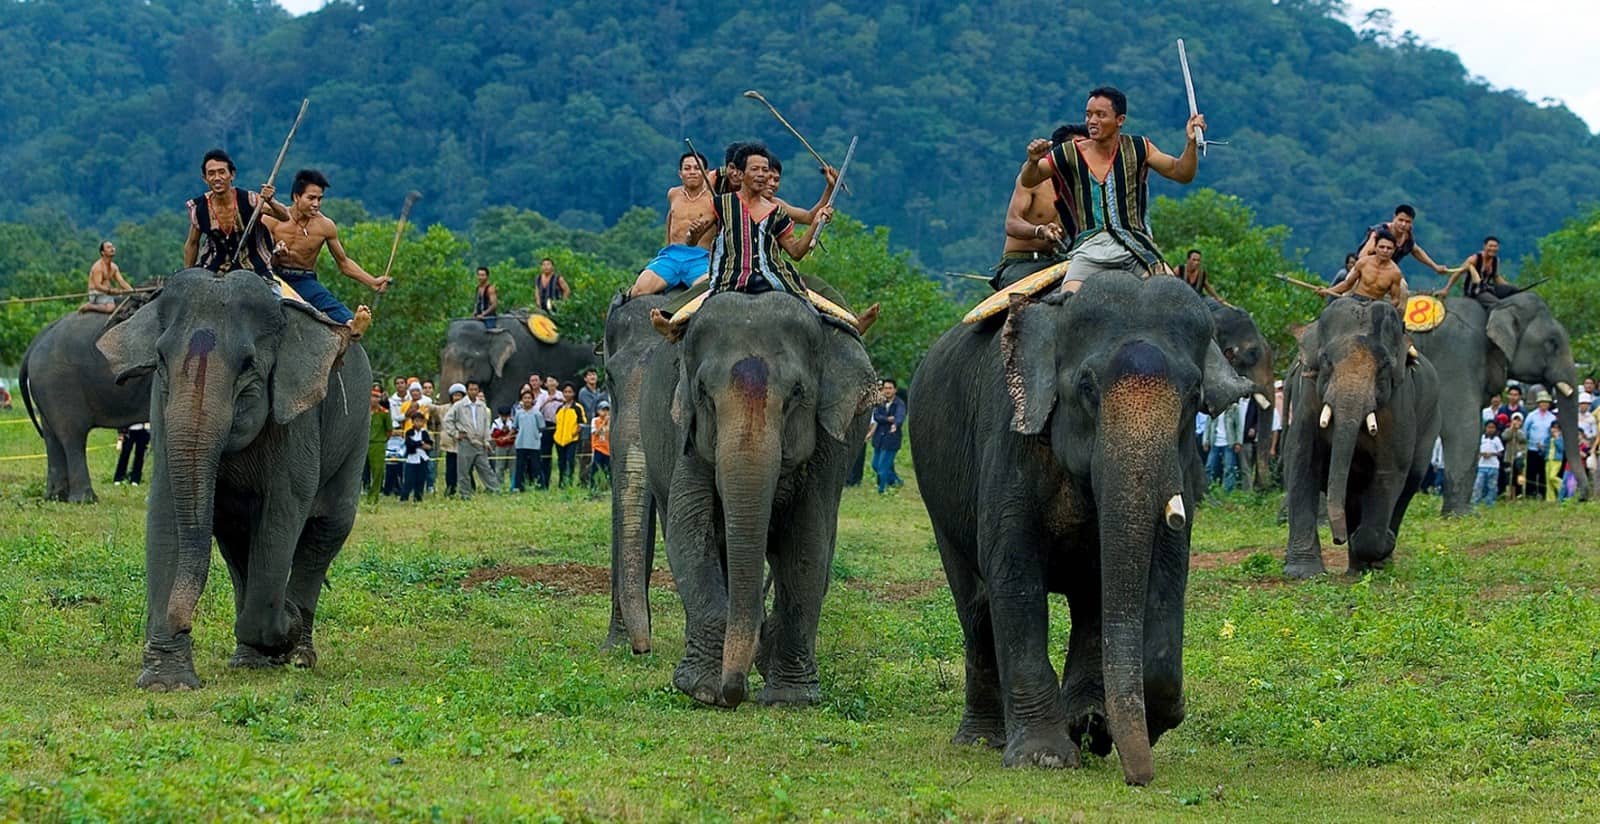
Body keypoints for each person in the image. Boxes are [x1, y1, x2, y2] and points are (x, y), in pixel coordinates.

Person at [1017, 86, 1207, 292]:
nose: (1092, 121)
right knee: (1068, 299)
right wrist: (1032, 162)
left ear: (1120, 120)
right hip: (1089, 248)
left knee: (1173, 294)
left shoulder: (1140, 147)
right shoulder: (1068, 152)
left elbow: (1181, 173)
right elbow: (1030, 179)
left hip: (1136, 247)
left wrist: (1190, 144)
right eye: (1089, 115)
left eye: (1100, 115)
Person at [263, 169, 388, 335]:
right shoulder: (272, 219)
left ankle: (352, 325)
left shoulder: (325, 226)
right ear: (296, 197)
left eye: (319, 199)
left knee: (326, 301)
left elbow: (343, 263)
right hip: (273, 275)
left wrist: (372, 281)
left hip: (303, 279)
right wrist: (276, 254)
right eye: (311, 198)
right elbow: (258, 253)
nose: (316, 204)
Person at [990, 125, 1083, 291]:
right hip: (1022, 264)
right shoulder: (1034, 179)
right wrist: (1040, 230)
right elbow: (1011, 224)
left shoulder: (1085, 188)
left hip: (1058, 263)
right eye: (1079, 148)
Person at [184, 148, 287, 275]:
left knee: (275, 294)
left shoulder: (251, 200)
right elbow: (192, 243)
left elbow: (284, 216)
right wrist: (187, 274)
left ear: (232, 175)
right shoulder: (199, 208)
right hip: (214, 268)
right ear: (205, 178)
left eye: (222, 172)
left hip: (254, 268)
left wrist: (271, 200)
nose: (217, 178)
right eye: (211, 174)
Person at [628, 151, 717, 297]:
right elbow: (671, 217)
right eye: (687, 168)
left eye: (697, 168)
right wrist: (667, 246)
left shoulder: (714, 199)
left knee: (705, 291)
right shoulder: (673, 194)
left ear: (706, 173)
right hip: (671, 257)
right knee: (638, 290)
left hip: (700, 259)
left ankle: (669, 317)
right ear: (680, 173)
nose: (692, 172)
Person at [1356, 204, 1451, 276]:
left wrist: (1435, 267)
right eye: (1400, 220)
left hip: (1388, 271)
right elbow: (1362, 256)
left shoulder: (1407, 237)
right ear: (1394, 218)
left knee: (1402, 288)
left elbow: (1417, 251)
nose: (1403, 224)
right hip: (1368, 270)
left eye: (1407, 222)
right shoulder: (1379, 232)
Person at [1320, 231, 1408, 309]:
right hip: (1356, 300)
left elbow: (1395, 299)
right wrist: (1329, 291)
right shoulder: (1363, 262)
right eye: (1382, 247)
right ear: (1375, 248)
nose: (1385, 251)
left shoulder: (1395, 273)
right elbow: (1347, 284)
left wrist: (1385, 309)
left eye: (1389, 248)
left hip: (1375, 305)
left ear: (1394, 250)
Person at [447, 381, 499, 499]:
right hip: (466, 441)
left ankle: (494, 490)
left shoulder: (482, 406)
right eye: (471, 389)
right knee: (464, 470)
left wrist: (487, 440)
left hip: (479, 442)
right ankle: (465, 494)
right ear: (467, 390)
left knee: (486, 468)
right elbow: (448, 420)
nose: (473, 392)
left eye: (475, 389)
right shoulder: (459, 405)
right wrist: (455, 434)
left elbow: (486, 424)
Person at [1439, 236, 1512, 301]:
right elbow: (1458, 273)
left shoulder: (1496, 260)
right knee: (1497, 304)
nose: (1493, 248)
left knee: (1513, 292)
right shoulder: (1474, 259)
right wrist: (1446, 289)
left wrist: (1509, 288)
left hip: (1487, 288)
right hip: (1474, 290)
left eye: (1495, 246)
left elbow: (1496, 277)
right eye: (1490, 246)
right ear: (1485, 246)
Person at [865, 378, 907, 494]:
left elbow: (900, 416)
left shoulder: (899, 404)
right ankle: (896, 481)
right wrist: (888, 419)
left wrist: (896, 424)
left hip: (891, 439)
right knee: (875, 465)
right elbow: (876, 416)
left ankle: (881, 490)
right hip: (879, 438)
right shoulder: (880, 402)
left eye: (890, 388)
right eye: (885, 388)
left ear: (895, 390)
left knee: (882, 467)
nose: (887, 391)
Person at [80, 241, 133, 314]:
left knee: (125, 299)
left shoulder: (114, 267)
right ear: (103, 252)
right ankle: (90, 306)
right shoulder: (98, 267)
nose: (112, 249)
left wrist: (131, 291)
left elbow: (121, 281)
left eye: (112, 247)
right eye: (108, 247)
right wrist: (111, 291)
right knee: (110, 308)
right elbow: (97, 286)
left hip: (107, 292)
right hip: (96, 293)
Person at [1203, 399, 1244, 492]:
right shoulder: (1213, 408)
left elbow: (1238, 426)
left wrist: (1238, 442)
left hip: (1228, 442)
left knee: (1229, 468)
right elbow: (1208, 425)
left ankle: (1228, 491)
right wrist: (1206, 440)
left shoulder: (1234, 408)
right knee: (1209, 467)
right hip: (1215, 442)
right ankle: (1209, 489)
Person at [553, 382, 588, 487]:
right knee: (561, 462)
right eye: (565, 392)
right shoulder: (560, 408)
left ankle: (570, 481)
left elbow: (582, 423)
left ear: (573, 393)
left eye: (570, 392)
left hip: (572, 439)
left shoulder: (577, 407)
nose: (567, 394)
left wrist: (574, 433)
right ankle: (561, 482)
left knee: (570, 461)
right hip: (559, 440)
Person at [1524, 390, 1557, 499]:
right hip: (1532, 448)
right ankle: (1530, 493)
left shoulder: (1552, 417)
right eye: (1542, 402)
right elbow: (1525, 430)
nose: (1544, 404)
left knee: (1543, 472)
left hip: (1546, 449)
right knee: (1531, 472)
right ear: (1538, 403)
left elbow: (1554, 432)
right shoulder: (1531, 415)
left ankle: (1543, 493)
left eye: (1546, 402)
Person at [512, 389, 544, 492]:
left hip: (534, 444)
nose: (527, 400)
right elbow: (515, 427)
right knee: (520, 467)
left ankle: (539, 486)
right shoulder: (518, 413)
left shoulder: (537, 413)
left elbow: (541, 427)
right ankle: (518, 487)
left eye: (529, 398)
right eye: (525, 398)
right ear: (521, 400)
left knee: (536, 466)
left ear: (532, 400)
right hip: (521, 443)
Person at [400, 409, 434, 502]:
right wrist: (420, 444)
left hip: (422, 459)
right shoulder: (409, 432)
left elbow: (429, 445)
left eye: (421, 421)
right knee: (409, 479)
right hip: (411, 459)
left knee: (421, 479)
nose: (419, 423)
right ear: (413, 421)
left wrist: (424, 445)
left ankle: (418, 497)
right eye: (416, 421)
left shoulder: (424, 433)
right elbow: (409, 443)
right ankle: (404, 497)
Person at [1472, 419, 1503, 507]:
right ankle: (1475, 502)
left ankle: (1490, 503)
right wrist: (1482, 454)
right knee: (1478, 485)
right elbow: (1476, 450)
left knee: (1492, 486)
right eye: (1489, 427)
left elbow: (1500, 452)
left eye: (1493, 427)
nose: (1490, 429)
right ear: (1485, 428)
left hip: (1493, 466)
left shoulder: (1497, 439)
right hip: (1482, 465)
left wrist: (1492, 454)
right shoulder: (1481, 438)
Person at [367, 395, 390, 503]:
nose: (374, 399)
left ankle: (373, 496)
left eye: (377, 396)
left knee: (377, 471)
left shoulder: (384, 413)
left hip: (377, 443)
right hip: (362, 444)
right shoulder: (364, 410)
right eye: (372, 396)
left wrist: (382, 440)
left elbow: (389, 430)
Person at [491, 405, 517, 489]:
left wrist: (509, 431)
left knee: (513, 466)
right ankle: (499, 485)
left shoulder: (512, 421)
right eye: (503, 416)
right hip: (500, 447)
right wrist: (501, 431)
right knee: (499, 467)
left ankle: (513, 485)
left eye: (506, 416)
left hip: (511, 445)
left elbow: (516, 432)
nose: (505, 418)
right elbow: (493, 435)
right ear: (499, 415)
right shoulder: (496, 422)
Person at [590, 400, 612, 488]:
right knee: (595, 468)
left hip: (608, 449)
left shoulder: (611, 421)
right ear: (598, 411)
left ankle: (608, 485)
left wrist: (608, 423)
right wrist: (603, 423)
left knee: (608, 469)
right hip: (598, 448)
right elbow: (595, 433)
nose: (605, 412)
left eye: (607, 410)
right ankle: (593, 486)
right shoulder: (595, 420)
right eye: (603, 410)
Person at [1547, 422, 1569, 501]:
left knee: (1552, 477)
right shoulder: (1548, 437)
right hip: (1548, 459)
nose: (1554, 430)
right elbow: (1546, 448)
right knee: (1548, 481)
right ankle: (1550, 499)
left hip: (1557, 460)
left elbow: (1562, 448)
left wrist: (1557, 439)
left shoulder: (1560, 438)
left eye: (1557, 428)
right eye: (1553, 428)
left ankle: (1563, 488)